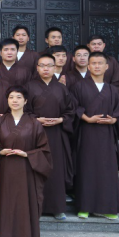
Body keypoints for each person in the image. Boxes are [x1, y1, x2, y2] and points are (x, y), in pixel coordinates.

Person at [0, 86, 52, 237]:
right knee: (7, 205)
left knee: (25, 207)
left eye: (19, 97)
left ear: (25, 101)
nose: (15, 100)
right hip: (6, 170)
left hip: (27, 170)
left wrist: (27, 154)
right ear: (7, 100)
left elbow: (44, 150)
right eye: (11, 97)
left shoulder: (34, 123)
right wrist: (0, 151)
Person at [70, 52, 119, 220]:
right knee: (86, 169)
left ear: (106, 67)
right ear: (88, 66)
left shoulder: (112, 89)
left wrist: (114, 120)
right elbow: (72, 107)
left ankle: (108, 207)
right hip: (86, 134)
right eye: (93, 63)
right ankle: (84, 207)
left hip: (106, 136)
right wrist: (86, 118)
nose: (96, 66)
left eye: (100, 63)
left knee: (107, 170)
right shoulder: (79, 87)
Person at [27, 54, 75, 220]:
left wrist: (61, 120)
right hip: (35, 134)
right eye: (42, 65)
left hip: (56, 134)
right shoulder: (29, 87)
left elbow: (70, 110)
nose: (46, 69)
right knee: (36, 169)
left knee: (56, 169)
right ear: (37, 68)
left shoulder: (62, 88)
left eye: (49, 65)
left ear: (55, 68)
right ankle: (35, 207)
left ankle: (57, 207)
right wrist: (36, 119)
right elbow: (23, 110)